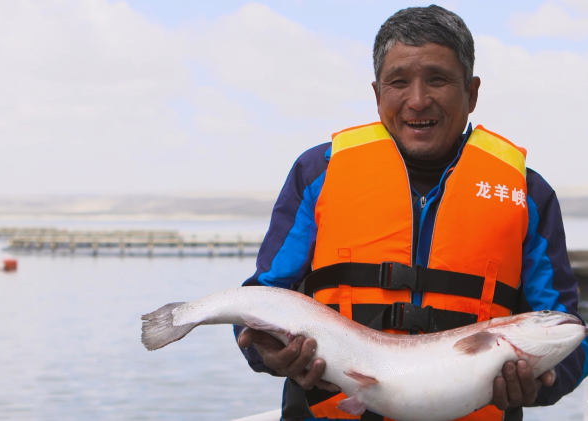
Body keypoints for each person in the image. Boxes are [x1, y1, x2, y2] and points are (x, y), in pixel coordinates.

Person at [234, 5, 587, 421]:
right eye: (398, 82)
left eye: (438, 79)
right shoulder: (318, 173)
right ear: (377, 92)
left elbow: (571, 341)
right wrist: (269, 354)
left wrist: (543, 383)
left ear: (471, 93)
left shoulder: (528, 194)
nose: (418, 101)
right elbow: (260, 301)